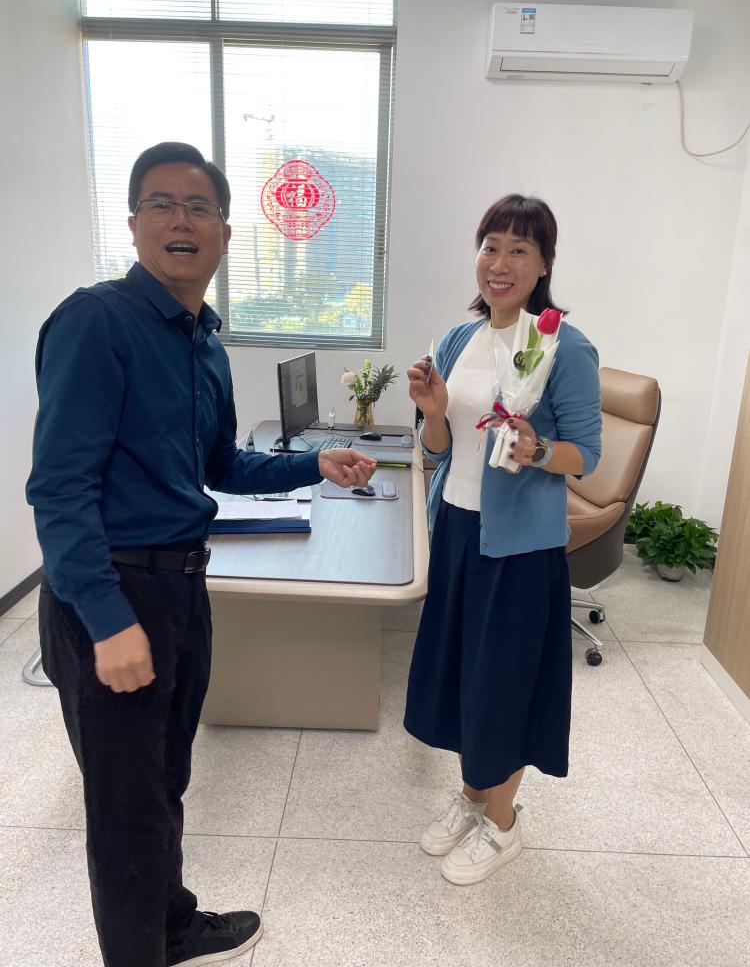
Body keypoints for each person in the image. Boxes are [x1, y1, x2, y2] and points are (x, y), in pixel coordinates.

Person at [26, 141, 376, 967]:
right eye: (160, 204)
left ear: (223, 231)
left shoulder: (204, 344)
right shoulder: (97, 322)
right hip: (115, 591)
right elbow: (60, 490)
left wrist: (315, 464)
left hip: (183, 589)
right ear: (133, 224)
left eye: (198, 207)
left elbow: (220, 466)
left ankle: (172, 923)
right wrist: (108, 621)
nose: (179, 220)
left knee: (163, 781)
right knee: (126, 810)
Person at [404, 194, 601, 886]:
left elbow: (587, 456)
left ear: (544, 264)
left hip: (518, 550)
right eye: (491, 245)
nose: (501, 262)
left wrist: (538, 448)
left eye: (520, 249)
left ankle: (504, 822)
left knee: (506, 685)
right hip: (457, 532)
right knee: (465, 675)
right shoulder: (457, 340)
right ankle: (471, 795)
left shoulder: (564, 347)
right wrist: (433, 413)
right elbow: (439, 448)